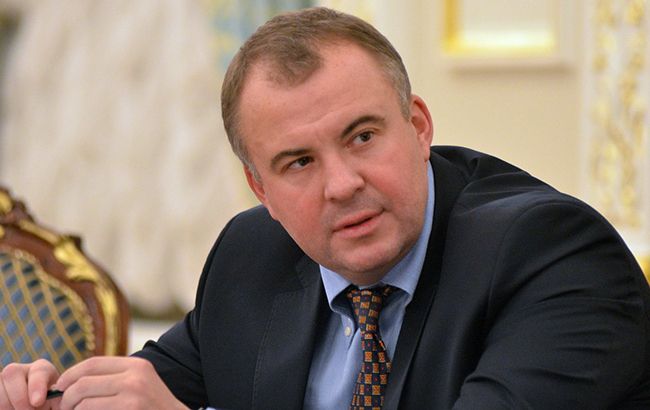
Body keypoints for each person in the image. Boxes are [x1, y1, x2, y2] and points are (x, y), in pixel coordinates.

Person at [1, 6, 649, 410]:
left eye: (362, 137)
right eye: (299, 163)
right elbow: (153, 386)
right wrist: (54, 397)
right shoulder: (253, 253)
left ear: (418, 126)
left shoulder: (553, 255)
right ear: (260, 189)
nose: (341, 184)